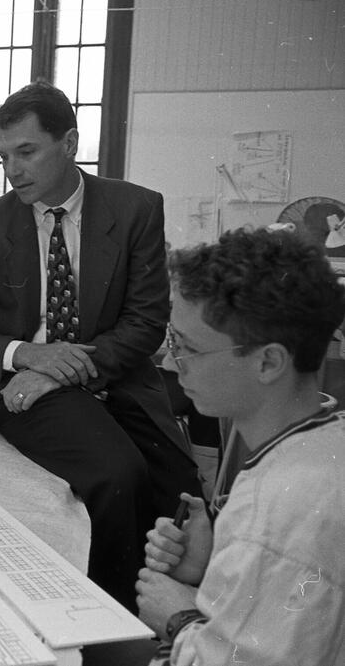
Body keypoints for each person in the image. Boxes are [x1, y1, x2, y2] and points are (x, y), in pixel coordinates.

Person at [0, 80, 201, 610]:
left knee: (180, 488)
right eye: (4, 155)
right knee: (116, 474)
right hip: (21, 388)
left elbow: (146, 322)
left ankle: (168, 615)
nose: (13, 170)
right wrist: (29, 356)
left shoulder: (135, 210)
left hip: (115, 376)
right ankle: (106, 620)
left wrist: (60, 369)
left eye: (27, 152)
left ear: (71, 143)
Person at [136, 228, 345, 666]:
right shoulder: (326, 440)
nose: (173, 364)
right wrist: (213, 564)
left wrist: (177, 616)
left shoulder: (277, 514)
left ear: (268, 362)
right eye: (171, 342)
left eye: (186, 348)